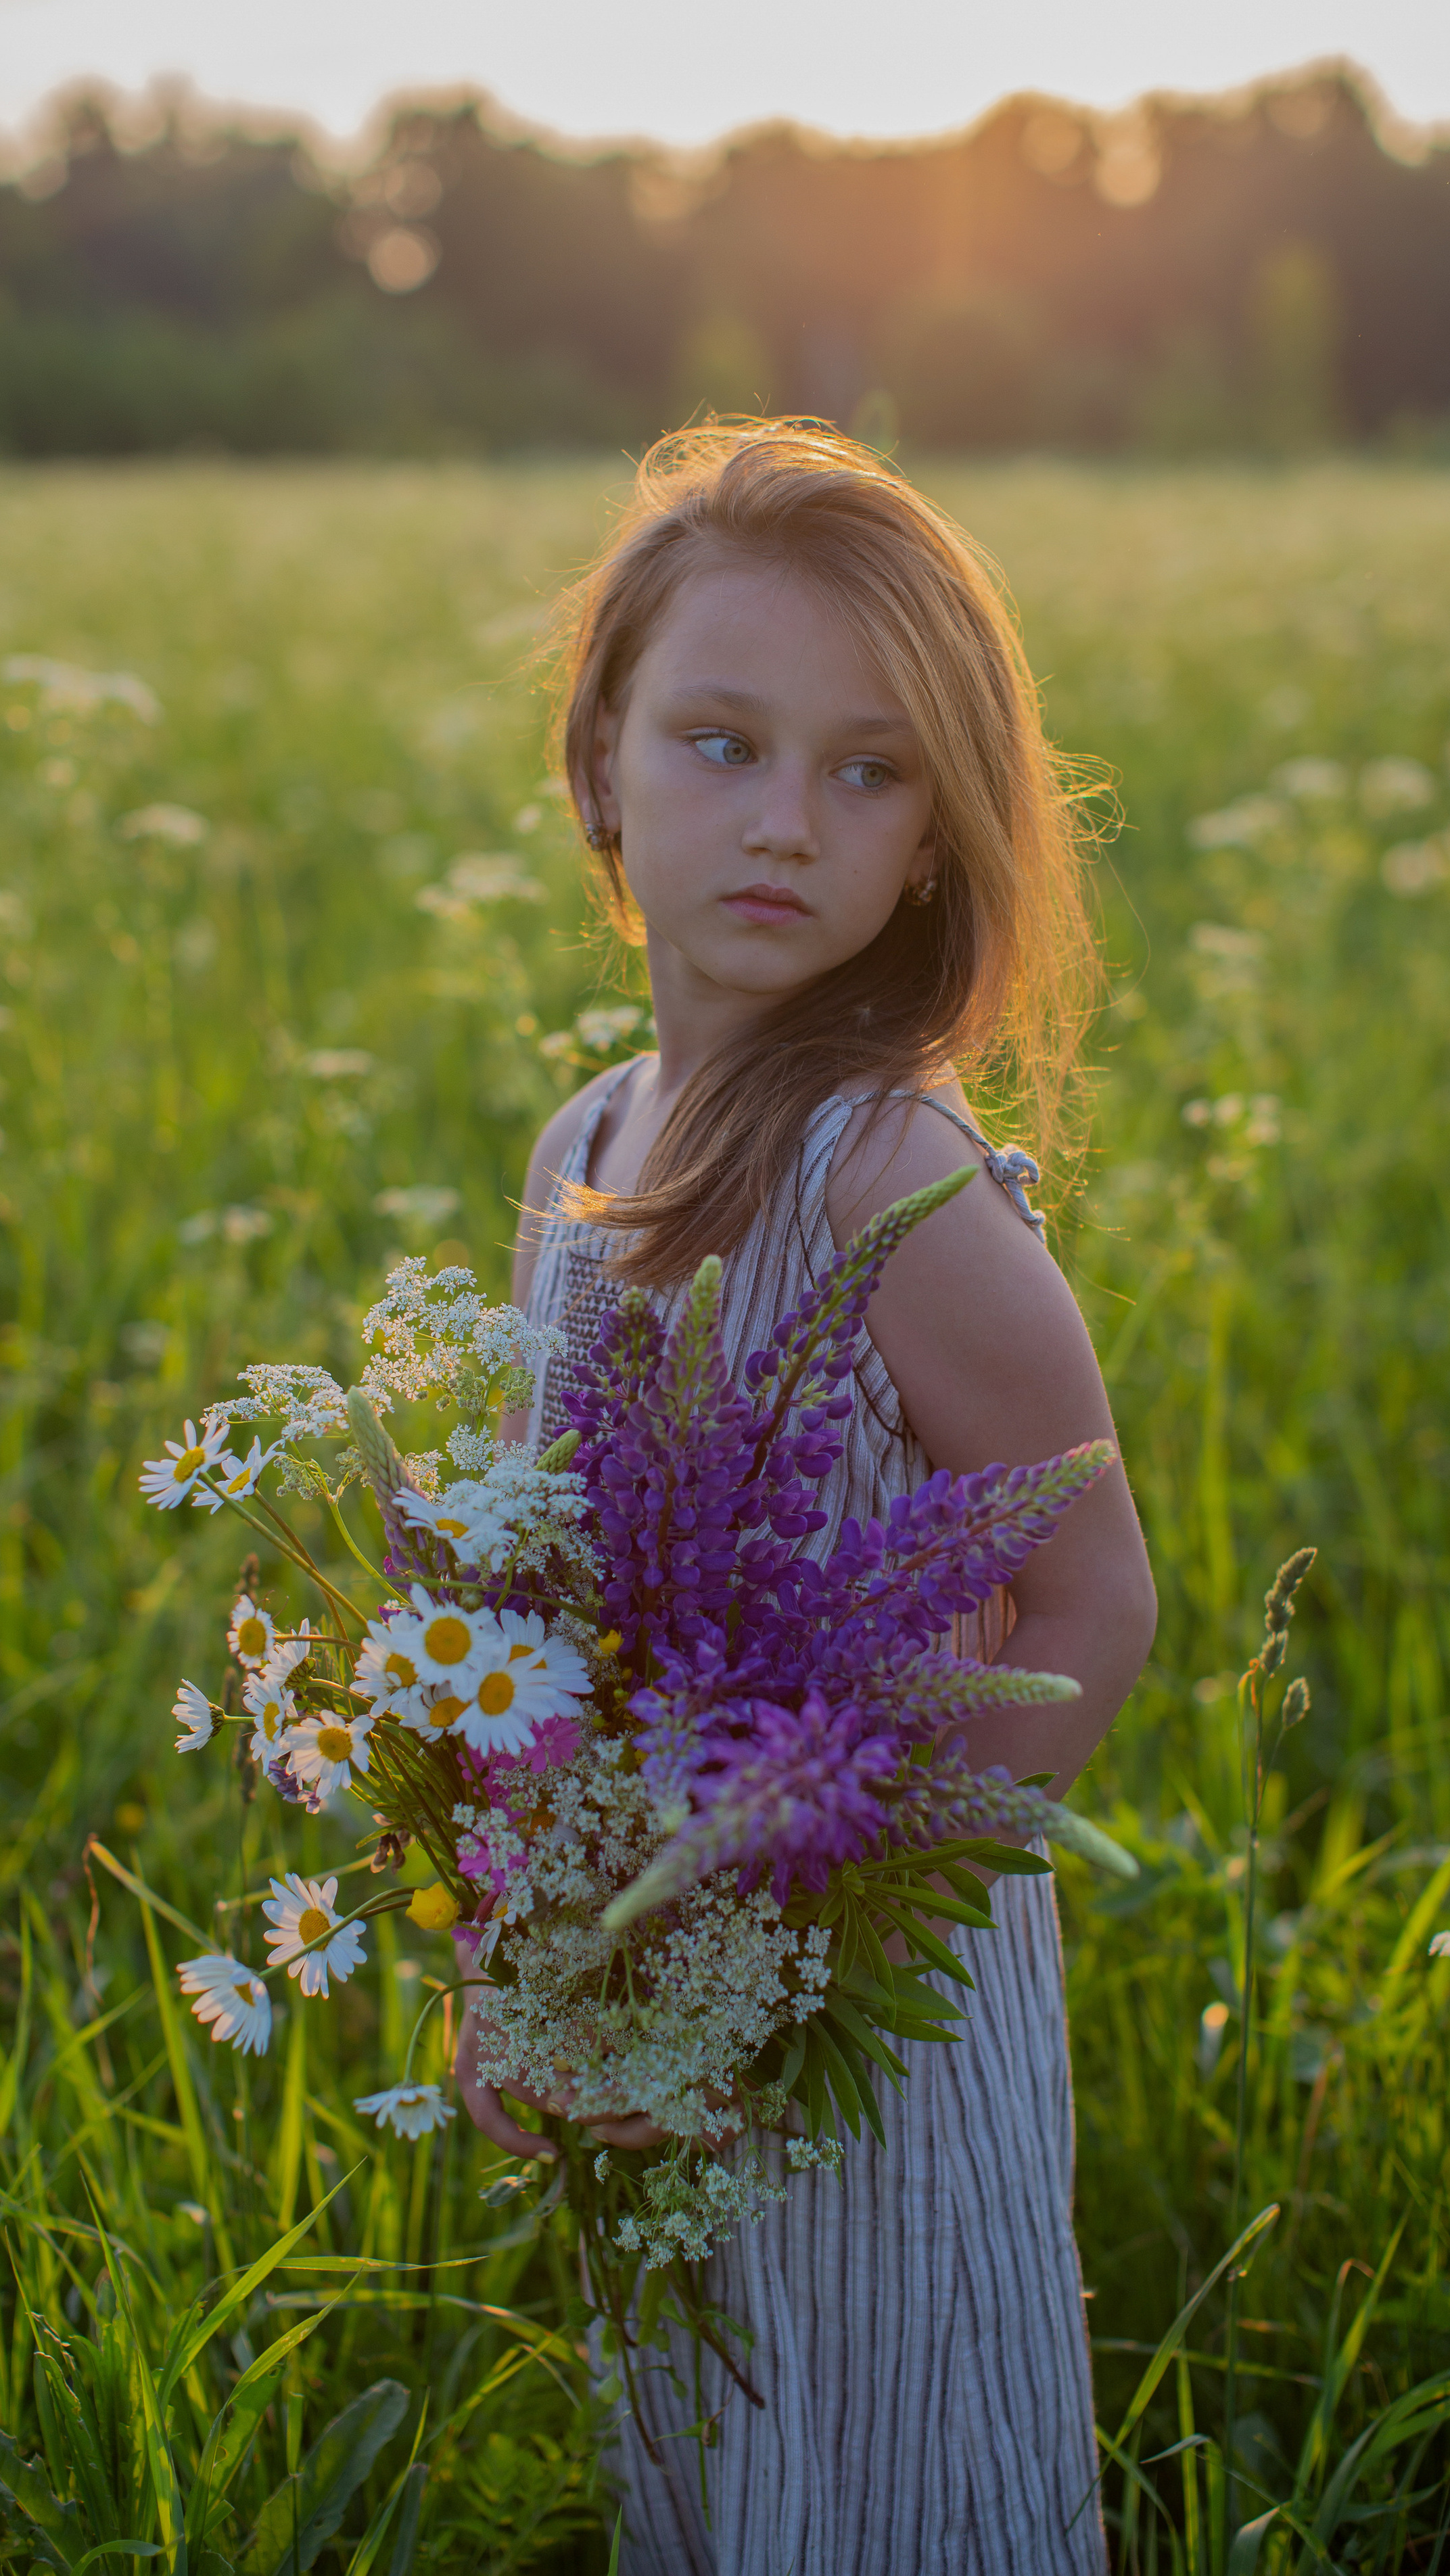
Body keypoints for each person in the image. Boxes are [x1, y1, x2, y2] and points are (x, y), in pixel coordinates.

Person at [454, 421, 1159, 2575]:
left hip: (862, 2010)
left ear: (941, 835)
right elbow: (542, 1613)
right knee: (707, 2454)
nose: (785, 823)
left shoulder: (894, 1175)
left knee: (885, 2461)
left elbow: (1096, 1595)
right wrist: (521, 1946)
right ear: (601, 764)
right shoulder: (590, 1139)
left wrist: (845, 1894)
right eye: (723, 742)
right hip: (647, 1989)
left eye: (869, 772)